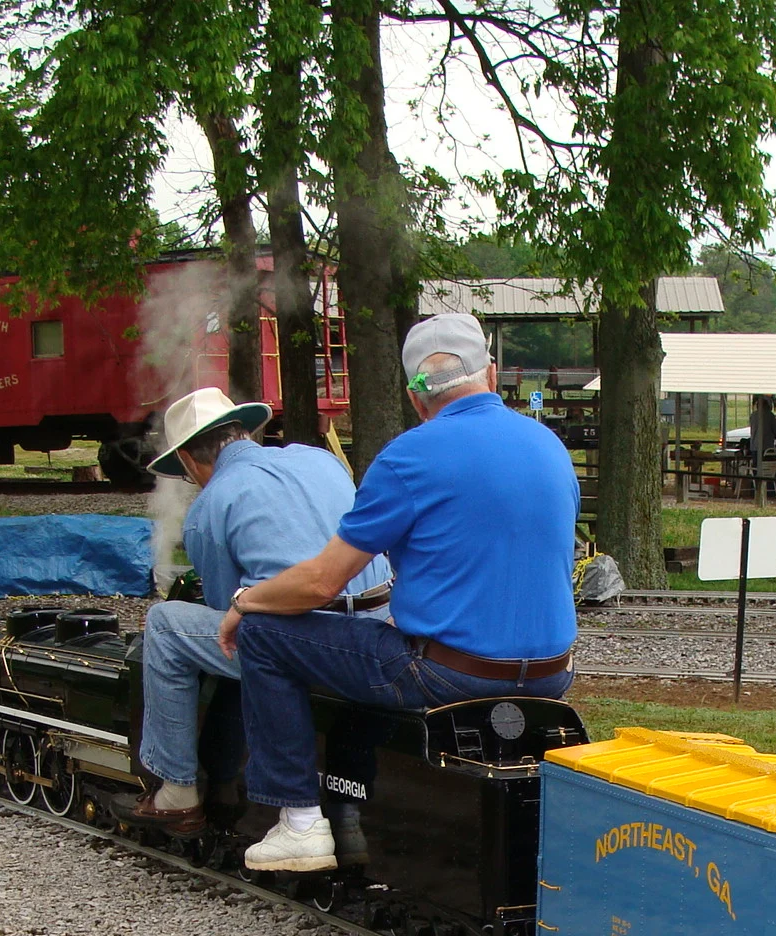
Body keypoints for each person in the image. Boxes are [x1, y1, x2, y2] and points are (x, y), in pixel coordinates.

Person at [220, 313, 578, 874]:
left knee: (265, 633)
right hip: (553, 676)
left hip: (452, 675)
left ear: (415, 397)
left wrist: (245, 601)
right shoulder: (549, 446)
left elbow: (322, 582)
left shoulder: (409, 457)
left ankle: (300, 825)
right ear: (493, 372)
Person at [131, 387, 391, 836]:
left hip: (307, 643)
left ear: (191, 462)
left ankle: (177, 789)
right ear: (244, 432)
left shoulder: (210, 505)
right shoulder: (320, 459)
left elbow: (226, 617)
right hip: (377, 627)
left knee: (164, 625)